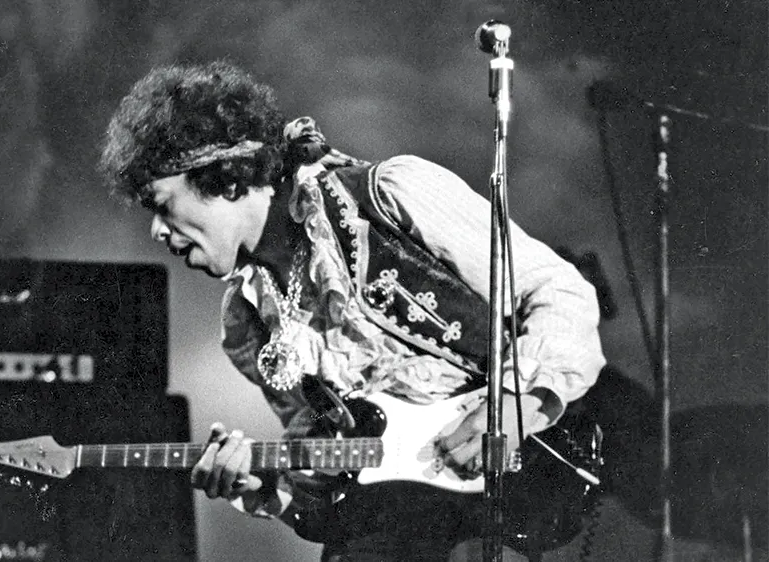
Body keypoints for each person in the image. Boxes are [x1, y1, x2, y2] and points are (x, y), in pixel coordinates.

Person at [99, 61, 606, 561]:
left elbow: (560, 292)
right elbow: (328, 494)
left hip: (509, 496)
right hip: (392, 530)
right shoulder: (247, 324)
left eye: (160, 204)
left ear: (224, 180)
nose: (157, 231)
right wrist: (261, 486)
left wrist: (516, 408)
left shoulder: (387, 194)